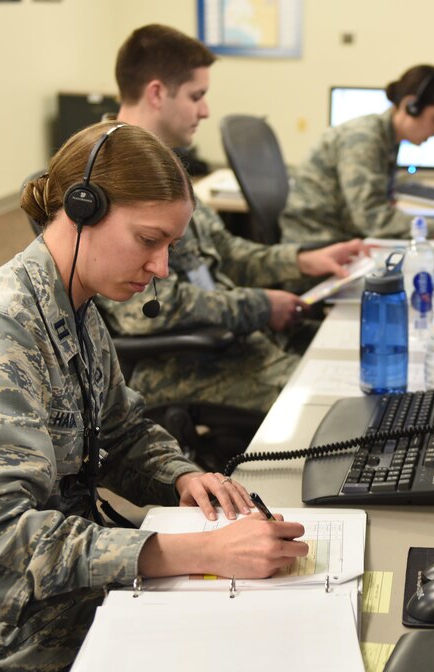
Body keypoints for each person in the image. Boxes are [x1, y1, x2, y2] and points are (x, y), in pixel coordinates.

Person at [0, 122, 309, 672]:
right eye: (147, 240)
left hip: (57, 590)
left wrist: (182, 477)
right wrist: (192, 553)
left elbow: (123, 428)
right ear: (82, 210)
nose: (161, 266)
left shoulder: (73, 304)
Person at [98, 24, 367, 413]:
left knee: (354, 351)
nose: (206, 110)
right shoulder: (113, 174)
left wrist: (302, 260)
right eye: (197, 96)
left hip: (231, 337)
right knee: (337, 403)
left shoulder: (160, 163)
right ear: (157, 93)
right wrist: (260, 306)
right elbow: (147, 311)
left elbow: (226, 251)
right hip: (185, 362)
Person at [280, 64, 434, 247]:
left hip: (338, 243)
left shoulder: (386, 139)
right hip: (315, 252)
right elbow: (372, 219)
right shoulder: (364, 138)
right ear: (410, 106)